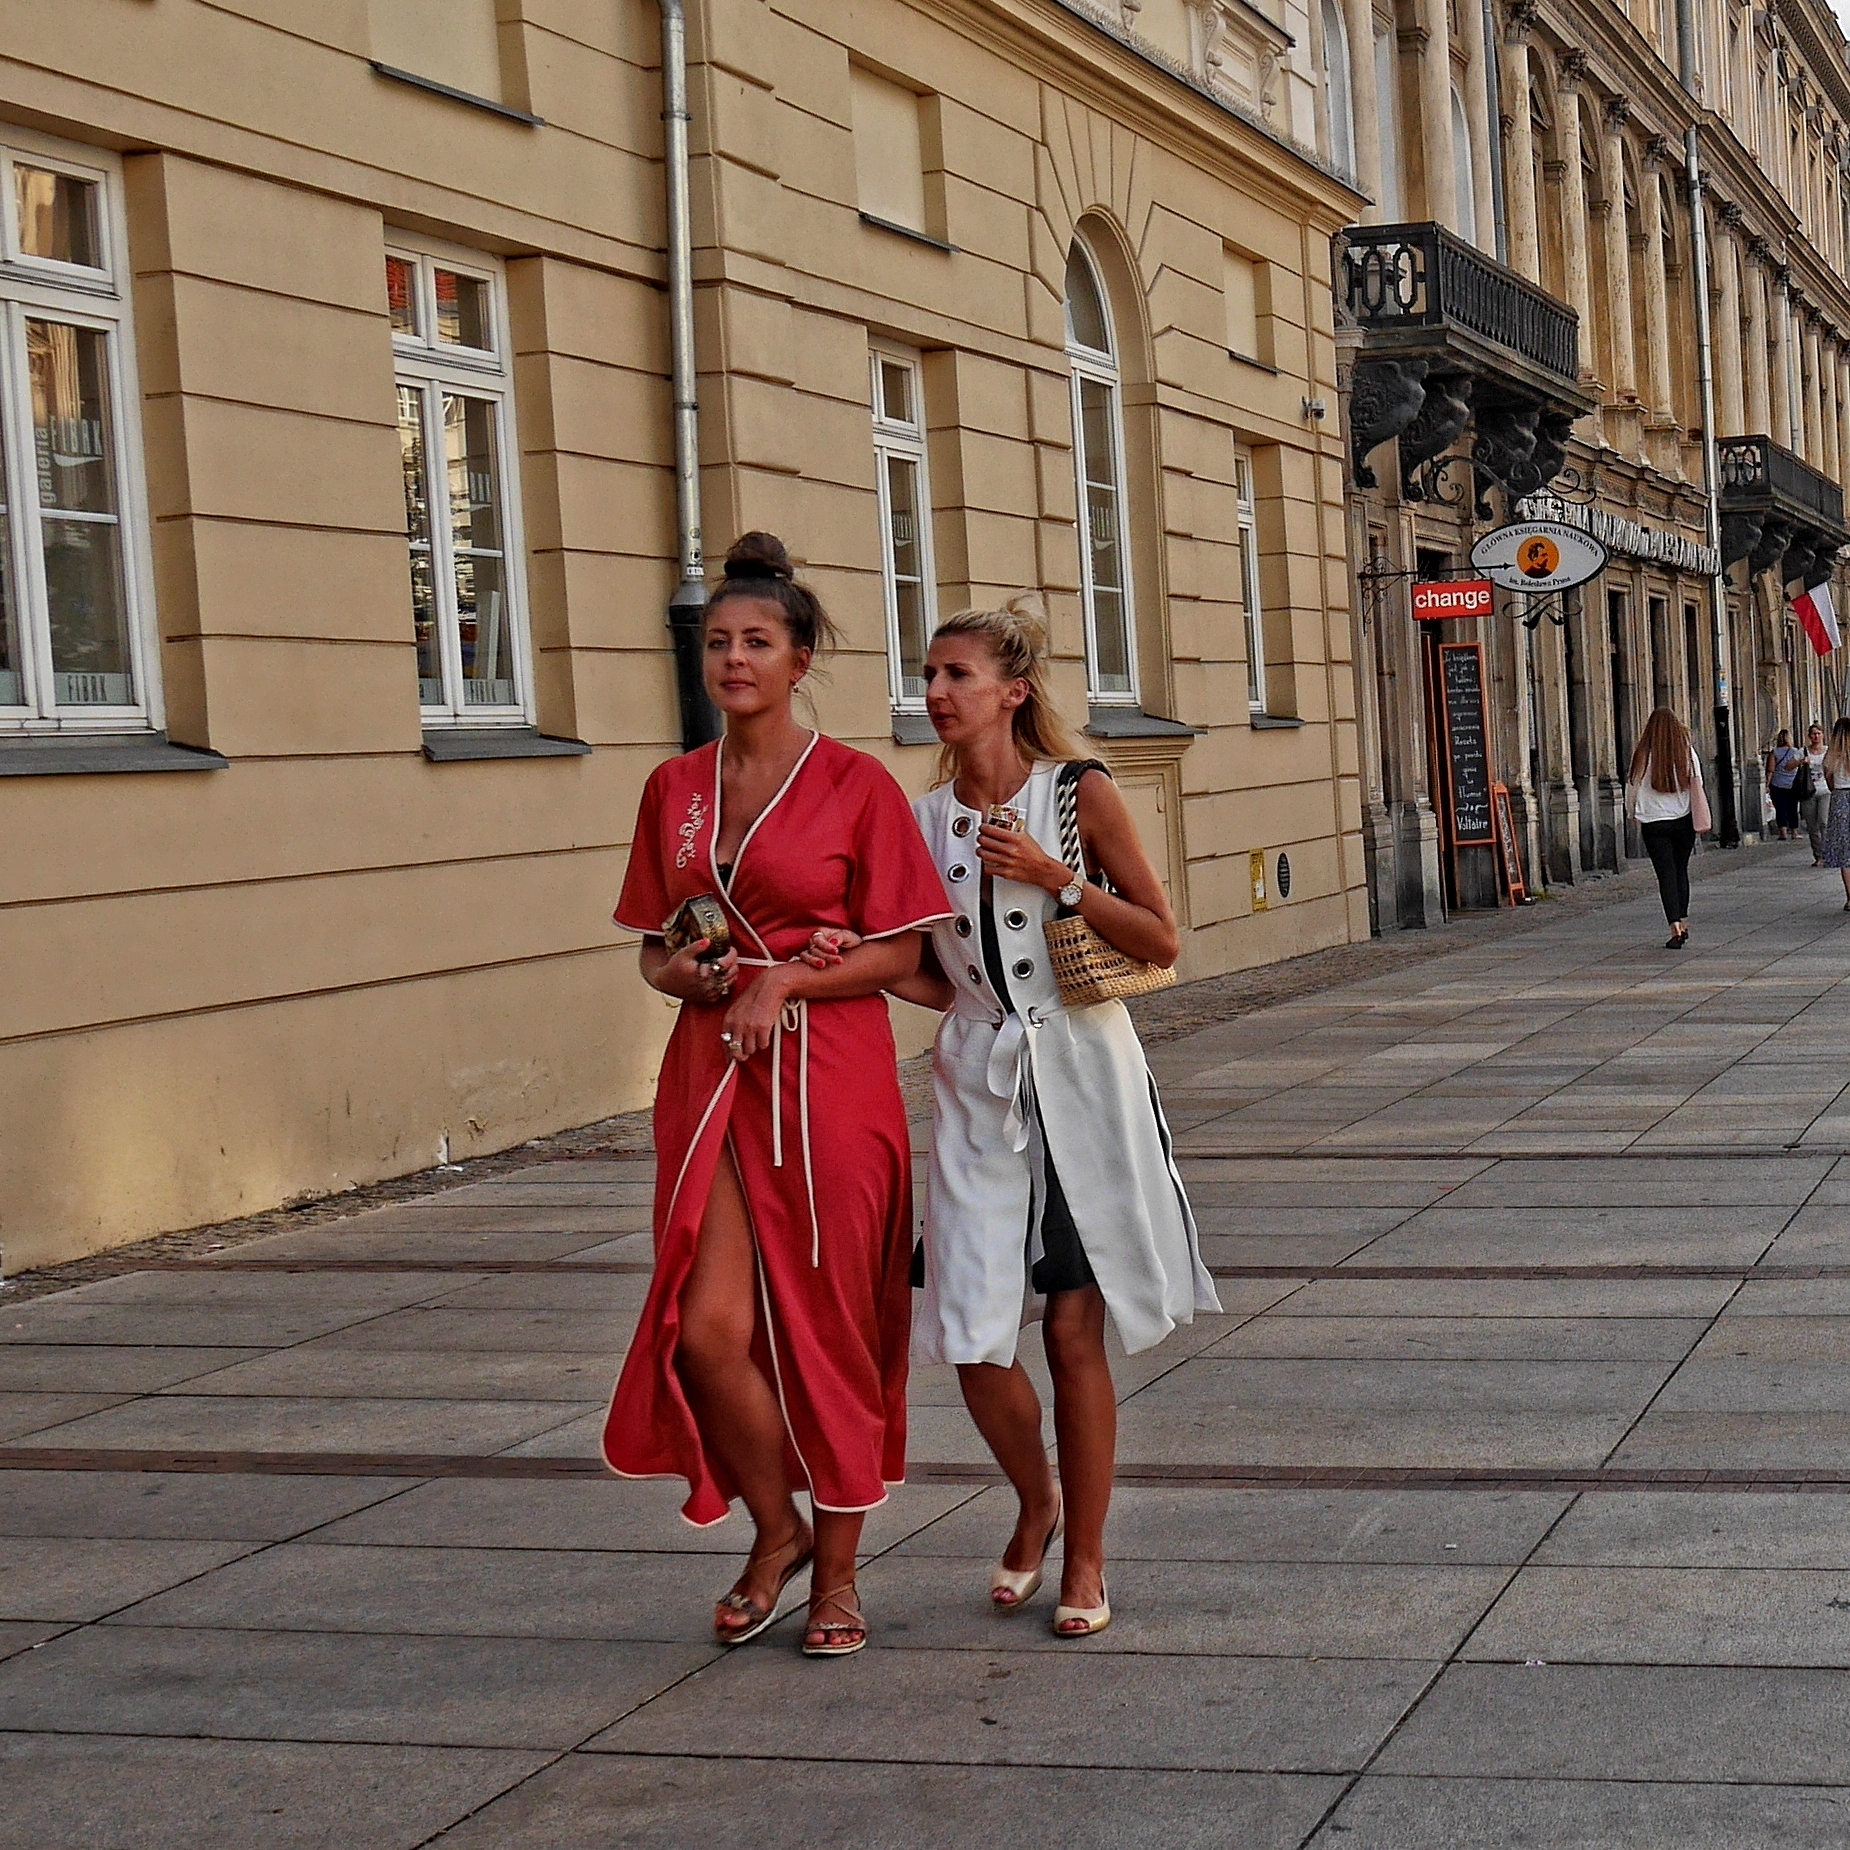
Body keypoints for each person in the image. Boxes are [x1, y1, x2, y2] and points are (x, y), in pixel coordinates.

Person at [811, 598, 1217, 1638]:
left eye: (955, 674)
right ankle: (1032, 1495)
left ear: (1011, 690)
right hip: (976, 1082)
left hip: (1080, 1075)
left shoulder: (1075, 793)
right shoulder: (923, 818)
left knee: (1073, 1328)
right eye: (929, 675)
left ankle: (1082, 1552)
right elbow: (915, 962)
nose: (936, 692)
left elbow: (1159, 937)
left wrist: (1056, 878)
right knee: (970, 1332)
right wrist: (846, 963)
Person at [607, 532, 951, 1659]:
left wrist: (788, 975)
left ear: (802, 657)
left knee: (831, 1331)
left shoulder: (856, 785)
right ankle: (776, 1529)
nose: (733, 660)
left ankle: (838, 1576)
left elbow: (909, 962)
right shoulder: (675, 789)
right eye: (717, 644)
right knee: (703, 1333)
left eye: (757, 642)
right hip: (710, 1080)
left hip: (830, 1082)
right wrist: (689, 974)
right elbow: (657, 948)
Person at [1628, 706, 1709, 950]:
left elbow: (1632, 786)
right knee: (1680, 871)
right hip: (1682, 820)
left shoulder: (1643, 752)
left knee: (1665, 875)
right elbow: (1698, 782)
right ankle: (1683, 921)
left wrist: (1633, 813)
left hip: (1654, 823)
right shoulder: (1686, 752)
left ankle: (1674, 925)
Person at [1821, 717, 1850, 910]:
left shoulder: (1830, 757)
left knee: (1845, 853)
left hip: (1840, 801)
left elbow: (1830, 784)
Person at [1765, 730, 1804, 839]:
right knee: (1793, 808)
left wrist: (1767, 784)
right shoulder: (1795, 751)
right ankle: (1795, 832)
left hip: (1777, 784)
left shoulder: (1774, 752)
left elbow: (1771, 769)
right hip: (1792, 784)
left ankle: (1783, 832)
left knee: (1780, 808)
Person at [1802, 723, 1831, 865]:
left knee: (1824, 822)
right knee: (1812, 826)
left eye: (1819, 733)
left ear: (1823, 735)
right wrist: (1800, 762)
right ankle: (1818, 856)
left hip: (1825, 790)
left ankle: (1827, 854)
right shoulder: (1803, 752)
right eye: (1813, 734)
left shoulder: (1829, 751)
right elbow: (1788, 766)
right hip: (1808, 791)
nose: (1816, 736)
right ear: (1809, 736)